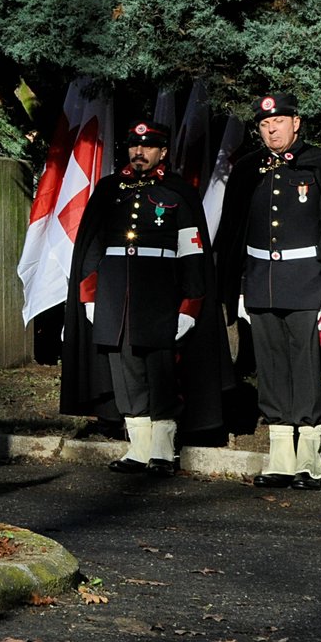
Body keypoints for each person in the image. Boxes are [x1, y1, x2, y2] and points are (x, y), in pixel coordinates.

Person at [215, 93, 321, 491]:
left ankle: (310, 460)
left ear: (296, 123)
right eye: (265, 125)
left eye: (279, 122)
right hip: (261, 285)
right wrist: (239, 290)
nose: (271, 130)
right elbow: (235, 236)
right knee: (269, 368)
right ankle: (281, 458)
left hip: (309, 285)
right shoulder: (249, 169)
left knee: (305, 368)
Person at [61, 120, 231, 476]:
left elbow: (191, 250)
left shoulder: (177, 192)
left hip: (159, 298)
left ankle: (163, 450)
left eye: (148, 147)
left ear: (162, 152)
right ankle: (138, 449)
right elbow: (91, 247)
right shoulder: (109, 190)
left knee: (160, 373)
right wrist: (89, 298)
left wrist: (190, 305)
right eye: (134, 146)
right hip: (113, 297)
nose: (139, 153)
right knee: (125, 373)